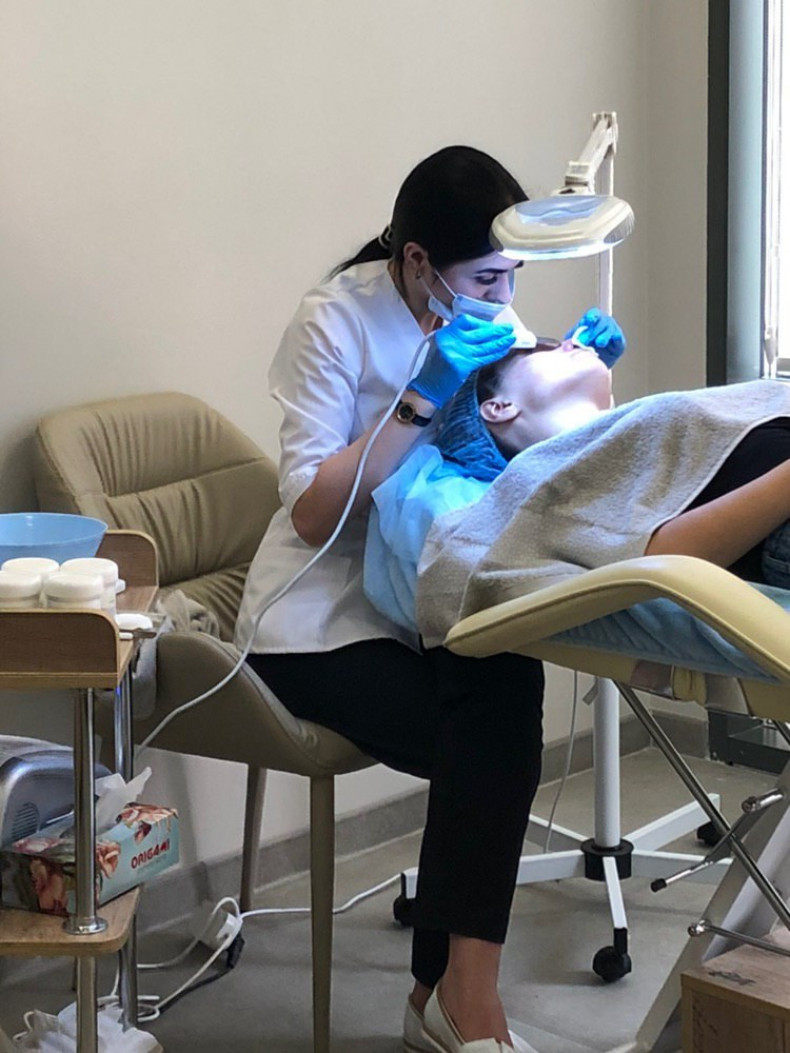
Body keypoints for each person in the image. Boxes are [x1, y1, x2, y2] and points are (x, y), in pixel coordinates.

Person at [235, 145, 626, 1053]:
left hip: (425, 595)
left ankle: (444, 996)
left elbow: (508, 440)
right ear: (418, 262)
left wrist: (584, 374)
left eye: (513, 277)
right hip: (314, 621)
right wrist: (419, 398)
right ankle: (457, 1001)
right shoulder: (333, 322)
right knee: (488, 734)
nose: (502, 298)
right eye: (486, 278)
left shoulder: (480, 309)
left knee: (504, 683)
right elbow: (313, 512)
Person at [364, 340, 790, 655]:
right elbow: (661, 559)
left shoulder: (624, 431)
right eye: (546, 351)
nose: (572, 342)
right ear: (499, 407)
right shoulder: (545, 479)